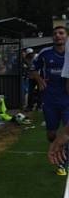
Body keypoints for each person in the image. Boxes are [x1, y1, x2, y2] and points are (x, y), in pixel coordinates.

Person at [33, 26, 69, 175]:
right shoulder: (45, 53)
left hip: (67, 98)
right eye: (55, 34)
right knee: (51, 134)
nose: (58, 36)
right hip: (50, 99)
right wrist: (39, 80)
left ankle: (63, 164)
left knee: (67, 131)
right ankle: (57, 147)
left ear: (67, 36)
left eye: (61, 33)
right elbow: (32, 69)